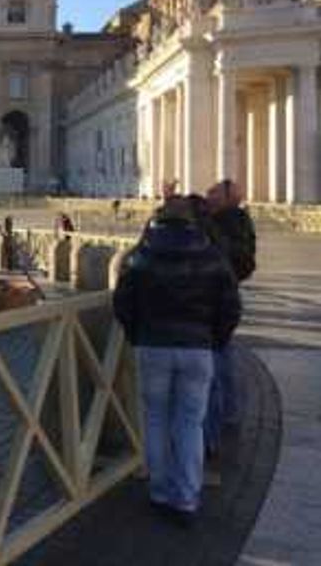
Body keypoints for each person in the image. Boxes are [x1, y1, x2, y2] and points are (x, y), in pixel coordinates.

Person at [113, 196, 240, 526]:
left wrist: (135, 334)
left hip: (153, 345)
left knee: (155, 418)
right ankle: (185, 497)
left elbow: (123, 300)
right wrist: (215, 339)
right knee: (190, 423)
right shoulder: (211, 255)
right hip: (198, 347)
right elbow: (230, 305)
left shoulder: (143, 255)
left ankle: (158, 491)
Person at [203, 179, 257, 451]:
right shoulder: (232, 221)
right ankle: (229, 413)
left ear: (227, 198)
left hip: (218, 300)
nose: (207, 194)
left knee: (216, 367)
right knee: (223, 357)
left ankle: (219, 425)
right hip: (224, 299)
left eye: (213, 191)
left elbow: (238, 260)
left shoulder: (227, 224)